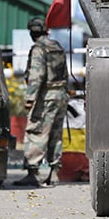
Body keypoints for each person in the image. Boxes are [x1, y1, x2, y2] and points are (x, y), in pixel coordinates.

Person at [13, 18, 69, 188]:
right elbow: (64, 72)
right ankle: (54, 173)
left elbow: (36, 76)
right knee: (55, 134)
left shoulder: (39, 49)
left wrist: (30, 98)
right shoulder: (56, 46)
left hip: (46, 97)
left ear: (32, 32)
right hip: (60, 94)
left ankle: (33, 172)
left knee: (36, 132)